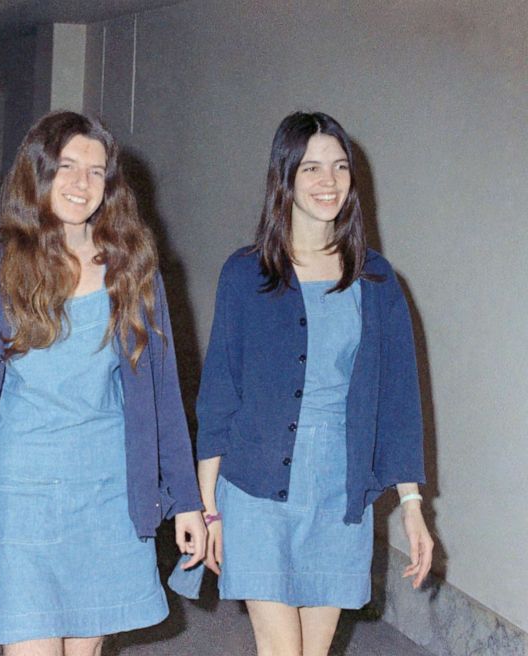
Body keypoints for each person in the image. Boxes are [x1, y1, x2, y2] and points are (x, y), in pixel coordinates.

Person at [0, 111, 206, 655]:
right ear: (38, 173)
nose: (82, 184)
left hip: (107, 485)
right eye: (67, 167)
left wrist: (185, 500)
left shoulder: (130, 268)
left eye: (96, 172)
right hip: (24, 488)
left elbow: (160, 393)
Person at [196, 112, 435, 656]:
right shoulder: (245, 273)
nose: (328, 181)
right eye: (311, 168)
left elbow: (399, 398)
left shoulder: (376, 279)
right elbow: (220, 395)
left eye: (340, 167)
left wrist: (413, 504)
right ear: (285, 177)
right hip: (256, 486)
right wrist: (210, 509)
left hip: (338, 488)